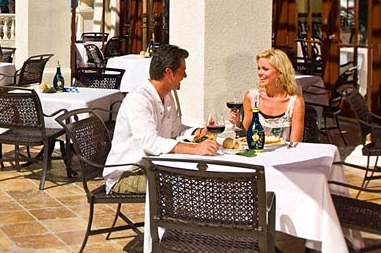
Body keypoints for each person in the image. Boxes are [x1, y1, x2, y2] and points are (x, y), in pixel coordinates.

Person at [103, 44, 218, 194]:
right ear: (169, 73)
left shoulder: (167, 95)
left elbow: (175, 130)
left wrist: (200, 132)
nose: (185, 76)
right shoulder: (138, 100)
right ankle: (170, 218)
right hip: (127, 174)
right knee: (187, 185)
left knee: (197, 178)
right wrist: (195, 149)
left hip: (153, 167)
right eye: (182, 71)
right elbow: (150, 143)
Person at [237, 48, 305, 143]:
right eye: (259, 68)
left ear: (280, 72)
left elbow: (295, 143)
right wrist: (237, 123)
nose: (259, 73)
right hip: (256, 154)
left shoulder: (295, 102)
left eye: (265, 69)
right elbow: (245, 136)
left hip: (284, 155)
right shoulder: (252, 98)